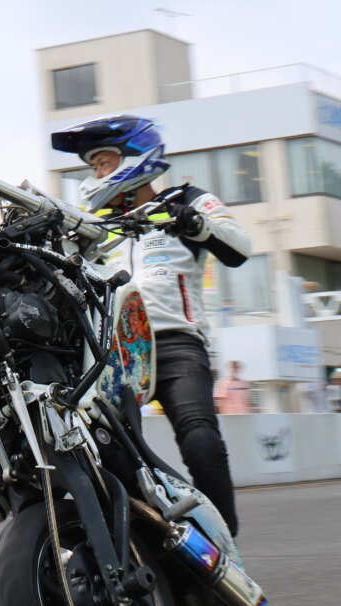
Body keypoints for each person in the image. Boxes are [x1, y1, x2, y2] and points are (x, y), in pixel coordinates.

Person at [52, 115, 251, 536]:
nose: (97, 173)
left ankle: (223, 537)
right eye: (94, 166)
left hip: (178, 342)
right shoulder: (94, 223)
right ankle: (145, 533)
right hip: (116, 349)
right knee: (104, 447)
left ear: (135, 156)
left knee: (201, 439)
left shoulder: (188, 199)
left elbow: (240, 249)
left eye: (104, 161)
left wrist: (197, 225)